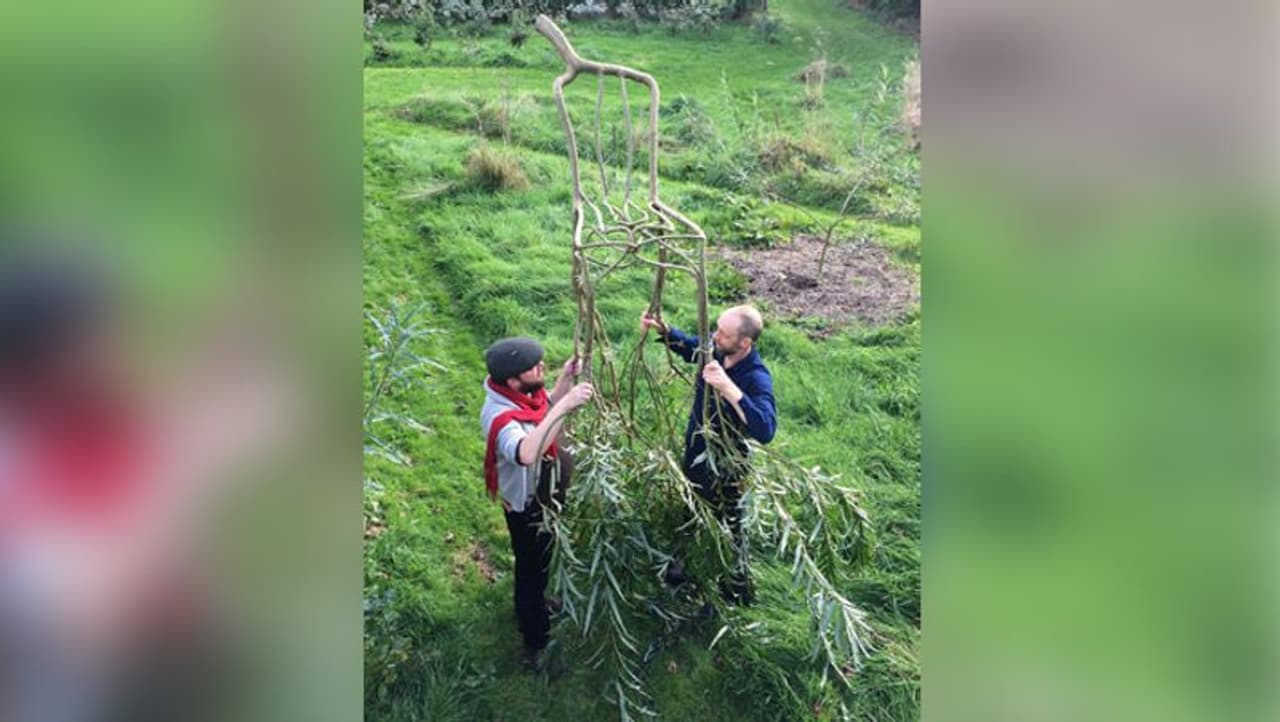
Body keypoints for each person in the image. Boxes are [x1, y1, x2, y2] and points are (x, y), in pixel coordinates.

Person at [640, 305, 777, 606]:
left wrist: (728, 388)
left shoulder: (755, 377)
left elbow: (766, 429)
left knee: (730, 527)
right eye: (716, 328)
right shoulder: (716, 350)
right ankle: (685, 569)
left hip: (727, 469)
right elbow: (693, 348)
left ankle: (735, 588)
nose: (715, 336)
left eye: (724, 334)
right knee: (691, 511)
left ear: (745, 342)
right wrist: (665, 331)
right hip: (696, 456)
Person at [480, 337, 593, 668]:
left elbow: (544, 408)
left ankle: (538, 602)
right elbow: (527, 453)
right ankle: (535, 642)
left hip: (545, 498)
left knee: (541, 562)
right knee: (530, 570)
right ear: (513, 380)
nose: (541, 367)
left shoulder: (520, 396)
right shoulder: (500, 418)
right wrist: (566, 406)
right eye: (534, 366)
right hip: (526, 508)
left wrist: (565, 380)